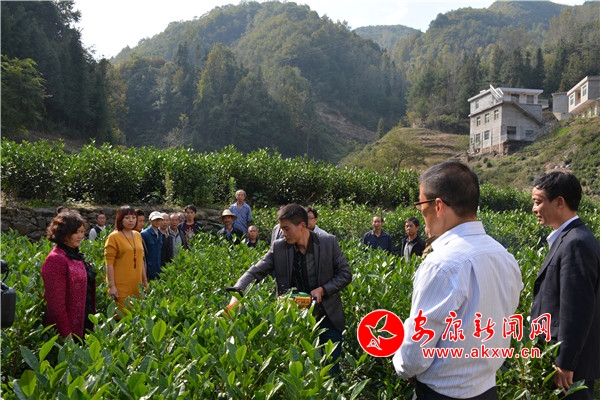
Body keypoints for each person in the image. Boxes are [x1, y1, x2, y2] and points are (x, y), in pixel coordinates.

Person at [393, 161, 523, 399]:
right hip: (487, 390)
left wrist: (403, 366)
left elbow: (415, 355)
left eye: (420, 204)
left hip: (440, 393)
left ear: (438, 206)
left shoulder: (441, 264)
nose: (421, 213)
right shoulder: (504, 257)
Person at [228, 204, 352, 375]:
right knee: (298, 372)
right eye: (281, 229)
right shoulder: (279, 247)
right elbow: (255, 271)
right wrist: (237, 293)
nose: (283, 233)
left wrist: (323, 290)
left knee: (331, 370)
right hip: (294, 320)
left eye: (286, 229)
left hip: (327, 316)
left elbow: (345, 274)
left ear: (302, 225)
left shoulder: (327, 242)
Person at [530, 171, 600, 400]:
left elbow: (577, 309)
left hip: (569, 369)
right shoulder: (568, 238)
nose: (534, 209)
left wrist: (565, 362)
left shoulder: (576, 242)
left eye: (538, 202)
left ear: (559, 202)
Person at [41, 211, 96, 340]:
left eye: (82, 232)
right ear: (63, 233)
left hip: (84, 324)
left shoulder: (75, 255)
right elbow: (56, 305)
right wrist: (66, 335)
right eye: (76, 232)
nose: (80, 236)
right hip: (68, 331)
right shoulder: (56, 259)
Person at [105, 206, 147, 314]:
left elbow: (141, 260)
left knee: (136, 315)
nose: (131, 220)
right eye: (127, 218)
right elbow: (109, 264)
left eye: (133, 217)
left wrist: (145, 281)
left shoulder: (137, 235)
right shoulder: (113, 237)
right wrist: (112, 286)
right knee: (121, 316)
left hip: (136, 284)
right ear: (120, 219)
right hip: (120, 285)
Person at [141, 211, 164, 280]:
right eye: (155, 220)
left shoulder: (160, 234)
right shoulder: (144, 234)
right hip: (148, 268)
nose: (157, 222)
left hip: (158, 267)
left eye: (159, 220)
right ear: (150, 220)